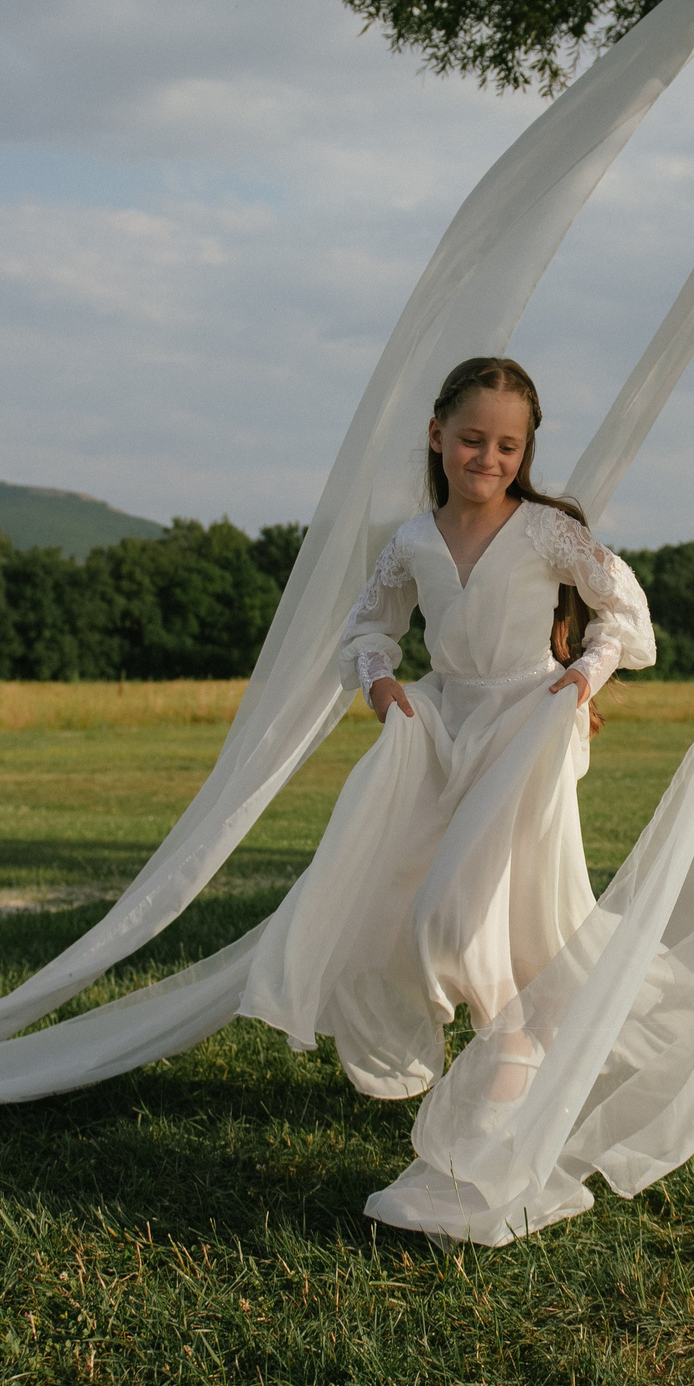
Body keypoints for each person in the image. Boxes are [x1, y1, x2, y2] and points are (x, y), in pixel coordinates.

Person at [242, 356, 656, 1103]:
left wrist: (582, 676)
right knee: (429, 894)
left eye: (508, 446)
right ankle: (521, 1044)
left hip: (529, 726)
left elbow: (625, 613)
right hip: (441, 725)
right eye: (473, 439)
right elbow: (369, 627)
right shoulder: (411, 541)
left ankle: (516, 1046)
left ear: (525, 451)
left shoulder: (546, 533)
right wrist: (380, 684)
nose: (489, 459)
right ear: (437, 435)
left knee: (465, 913)